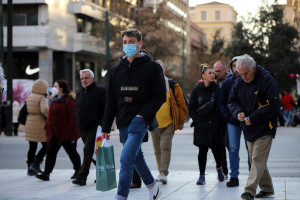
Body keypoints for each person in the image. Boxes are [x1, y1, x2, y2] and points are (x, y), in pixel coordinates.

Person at [101, 28, 165, 200]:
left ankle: (121, 196)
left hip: (140, 121)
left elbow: (160, 95)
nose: (128, 45)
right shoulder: (116, 70)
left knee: (126, 158)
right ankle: (153, 188)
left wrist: (143, 115)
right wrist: (106, 126)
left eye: (131, 41)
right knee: (137, 158)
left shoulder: (152, 67)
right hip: (123, 121)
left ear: (139, 44)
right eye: (125, 42)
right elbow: (111, 100)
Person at [228, 54, 279, 200]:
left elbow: (273, 105)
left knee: (256, 159)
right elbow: (232, 101)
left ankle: (249, 190)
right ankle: (267, 189)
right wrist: (238, 112)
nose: (244, 77)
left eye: (246, 73)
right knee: (256, 159)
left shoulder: (267, 80)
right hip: (248, 128)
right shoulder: (239, 81)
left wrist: (254, 117)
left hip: (265, 127)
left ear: (254, 69)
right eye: (240, 73)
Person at [35, 80, 81, 181]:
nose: (53, 88)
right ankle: (46, 173)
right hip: (55, 133)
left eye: (55, 86)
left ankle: (78, 171)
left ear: (61, 88)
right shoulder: (54, 100)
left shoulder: (69, 100)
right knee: (51, 153)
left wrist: (69, 132)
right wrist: (48, 127)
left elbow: (73, 117)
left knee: (72, 153)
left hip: (67, 134)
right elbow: (50, 117)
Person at [151, 60, 188, 185]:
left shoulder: (171, 85)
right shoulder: (148, 85)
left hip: (169, 123)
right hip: (153, 123)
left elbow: (182, 104)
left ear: (164, 71)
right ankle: (160, 172)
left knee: (165, 147)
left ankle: (163, 173)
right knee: (157, 149)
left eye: (160, 69)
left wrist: (181, 121)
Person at [188, 64, 225, 185]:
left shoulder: (217, 89)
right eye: (210, 73)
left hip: (215, 125)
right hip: (202, 125)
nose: (213, 75)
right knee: (202, 151)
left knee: (217, 151)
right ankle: (202, 175)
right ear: (203, 76)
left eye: (214, 73)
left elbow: (221, 105)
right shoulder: (196, 89)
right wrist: (196, 120)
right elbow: (191, 107)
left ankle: (219, 168)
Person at [219, 56, 250, 187]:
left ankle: (252, 176)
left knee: (251, 149)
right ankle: (234, 176)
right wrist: (230, 117)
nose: (236, 68)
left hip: (249, 120)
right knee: (233, 149)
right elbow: (222, 103)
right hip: (232, 121)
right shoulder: (227, 83)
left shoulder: (250, 81)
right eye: (234, 66)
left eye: (239, 65)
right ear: (231, 68)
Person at [72, 69, 106, 186]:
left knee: (87, 151)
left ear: (92, 78)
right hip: (82, 127)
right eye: (82, 78)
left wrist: (104, 126)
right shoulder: (79, 92)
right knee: (91, 153)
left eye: (86, 78)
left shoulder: (101, 91)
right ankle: (104, 173)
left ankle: (82, 177)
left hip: (95, 127)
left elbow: (106, 110)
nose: (84, 80)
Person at [25, 79, 49, 176]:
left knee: (32, 147)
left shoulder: (30, 97)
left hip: (30, 122)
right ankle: (36, 162)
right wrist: (49, 117)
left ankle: (30, 168)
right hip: (39, 123)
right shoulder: (41, 98)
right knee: (46, 145)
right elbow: (44, 109)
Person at [213, 60, 230, 179]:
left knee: (231, 145)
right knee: (219, 146)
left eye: (219, 71)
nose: (216, 73)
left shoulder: (231, 80)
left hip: (229, 118)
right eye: (215, 71)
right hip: (217, 119)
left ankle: (234, 170)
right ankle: (224, 170)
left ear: (225, 69)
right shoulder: (213, 82)